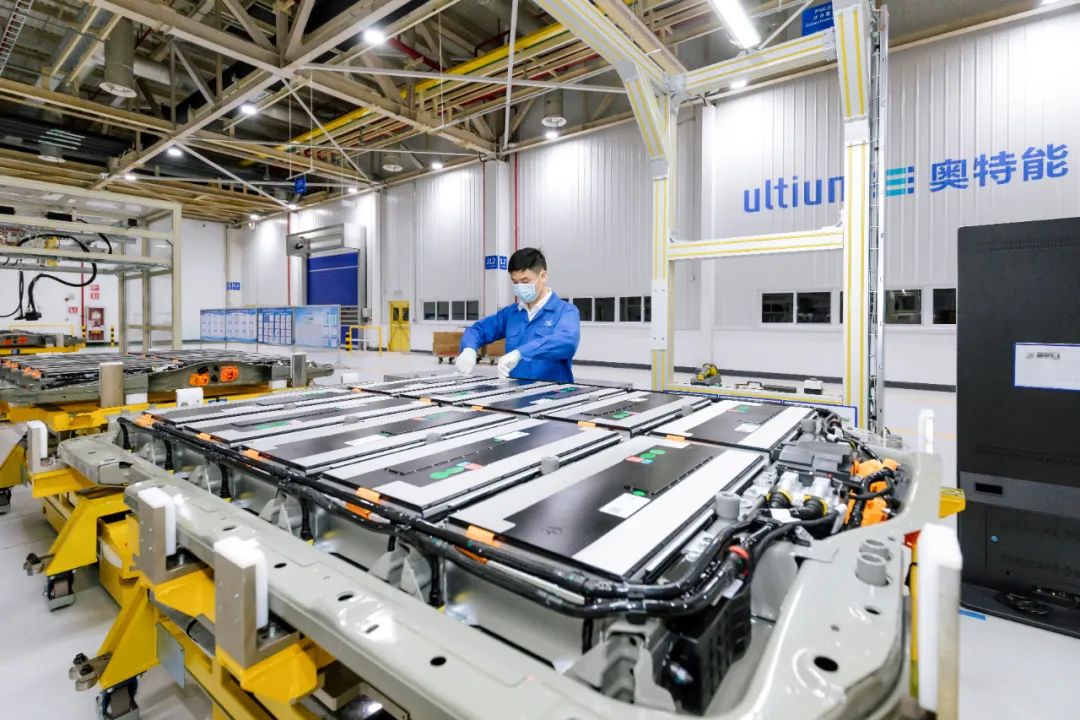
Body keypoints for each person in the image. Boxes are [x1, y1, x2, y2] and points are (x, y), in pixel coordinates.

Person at [455, 247, 580, 382]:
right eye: (515, 282)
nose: (520, 287)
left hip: (552, 391)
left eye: (525, 281)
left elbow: (567, 342)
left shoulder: (566, 311)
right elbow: (478, 330)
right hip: (516, 391)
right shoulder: (511, 314)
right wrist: (469, 348)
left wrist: (520, 353)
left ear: (543, 276)